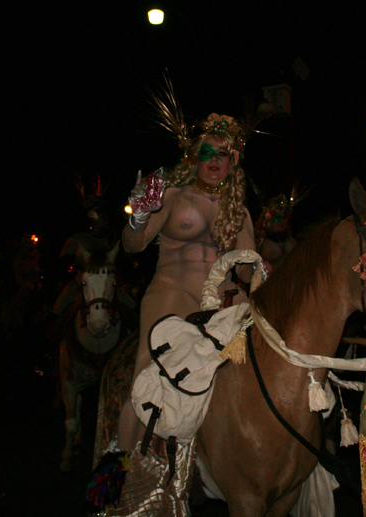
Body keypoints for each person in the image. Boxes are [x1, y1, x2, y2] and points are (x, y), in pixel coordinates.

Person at [108, 111, 257, 514]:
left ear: (233, 163)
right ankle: (114, 481)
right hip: (172, 292)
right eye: (207, 152)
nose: (214, 161)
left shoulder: (240, 212)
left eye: (222, 154)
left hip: (221, 300)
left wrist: (265, 271)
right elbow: (134, 245)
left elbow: (245, 268)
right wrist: (138, 215)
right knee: (147, 376)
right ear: (194, 157)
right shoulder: (173, 197)